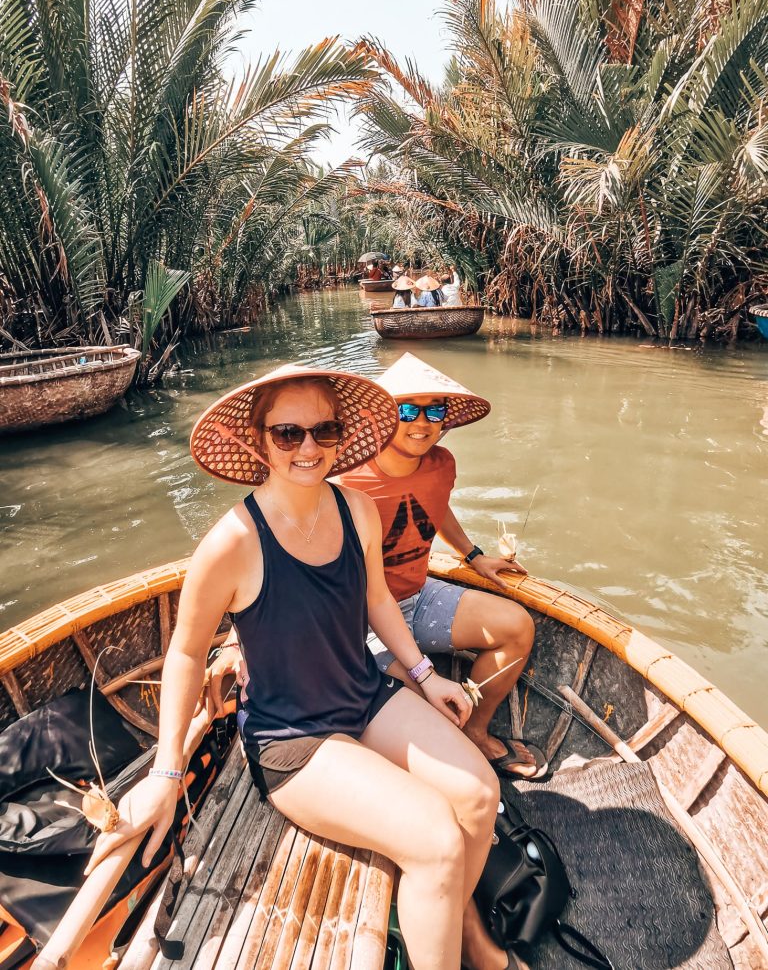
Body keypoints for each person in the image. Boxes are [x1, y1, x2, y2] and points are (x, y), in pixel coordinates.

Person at [86, 364, 511, 970]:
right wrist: (165, 771)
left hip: (363, 696)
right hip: (294, 741)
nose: (308, 448)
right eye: (288, 434)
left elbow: (378, 601)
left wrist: (425, 675)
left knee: (479, 795)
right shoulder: (232, 543)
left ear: (341, 436)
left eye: (324, 430)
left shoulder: (358, 510)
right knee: (438, 842)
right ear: (259, 441)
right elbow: (183, 652)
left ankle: (462, 929)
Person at [339, 353, 546, 780]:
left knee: (516, 627)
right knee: (429, 713)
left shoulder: (441, 464)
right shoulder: (345, 479)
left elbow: (435, 509)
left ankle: (476, 730)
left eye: (434, 410)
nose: (422, 422)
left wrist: (472, 554)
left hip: (418, 597)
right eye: (407, 410)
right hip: (360, 622)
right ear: (382, 416)